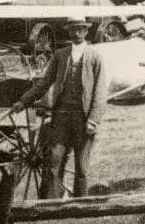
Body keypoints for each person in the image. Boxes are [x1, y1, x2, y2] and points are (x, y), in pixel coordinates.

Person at [9, 16, 110, 199]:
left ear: (86, 31)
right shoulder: (61, 55)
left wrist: (93, 120)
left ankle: (81, 203)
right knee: (54, 159)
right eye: (73, 29)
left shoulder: (95, 57)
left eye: (80, 29)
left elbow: (100, 93)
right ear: (69, 32)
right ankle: (50, 203)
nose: (77, 33)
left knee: (81, 164)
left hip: (83, 117)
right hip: (61, 116)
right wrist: (23, 101)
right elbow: (44, 82)